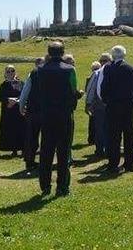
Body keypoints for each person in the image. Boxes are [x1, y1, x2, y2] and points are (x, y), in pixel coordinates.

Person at [31, 42, 78, 196]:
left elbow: (37, 92)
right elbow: (73, 90)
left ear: (49, 53)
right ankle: (62, 186)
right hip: (64, 115)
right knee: (63, 152)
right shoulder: (70, 70)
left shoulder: (40, 70)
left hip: (46, 115)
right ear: (63, 53)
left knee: (46, 151)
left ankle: (45, 185)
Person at [100, 45, 133, 173]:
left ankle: (113, 164)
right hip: (128, 107)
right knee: (129, 136)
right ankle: (130, 164)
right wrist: (132, 100)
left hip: (113, 107)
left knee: (114, 137)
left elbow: (103, 89)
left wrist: (107, 101)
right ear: (124, 55)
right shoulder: (132, 69)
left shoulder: (108, 69)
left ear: (112, 55)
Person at [19, 57, 45, 172]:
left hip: (33, 110)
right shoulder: (52, 72)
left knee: (31, 137)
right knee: (47, 137)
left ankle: (29, 161)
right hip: (46, 110)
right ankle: (45, 160)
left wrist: (21, 106)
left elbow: (25, 91)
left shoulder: (33, 73)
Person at [0, 65, 26, 156]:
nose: (10, 73)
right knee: (10, 129)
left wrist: (17, 101)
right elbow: (1, 97)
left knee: (21, 129)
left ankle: (23, 148)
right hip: (8, 110)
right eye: (8, 71)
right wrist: (8, 100)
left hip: (19, 109)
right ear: (5, 74)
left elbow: (24, 94)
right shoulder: (3, 84)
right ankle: (13, 149)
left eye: (12, 71)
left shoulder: (21, 83)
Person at [84, 58, 109, 157]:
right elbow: (90, 89)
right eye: (102, 60)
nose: (103, 62)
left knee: (101, 128)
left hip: (101, 105)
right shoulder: (99, 73)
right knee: (101, 128)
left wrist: (88, 103)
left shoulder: (98, 73)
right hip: (103, 105)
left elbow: (91, 89)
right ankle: (102, 149)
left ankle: (102, 149)